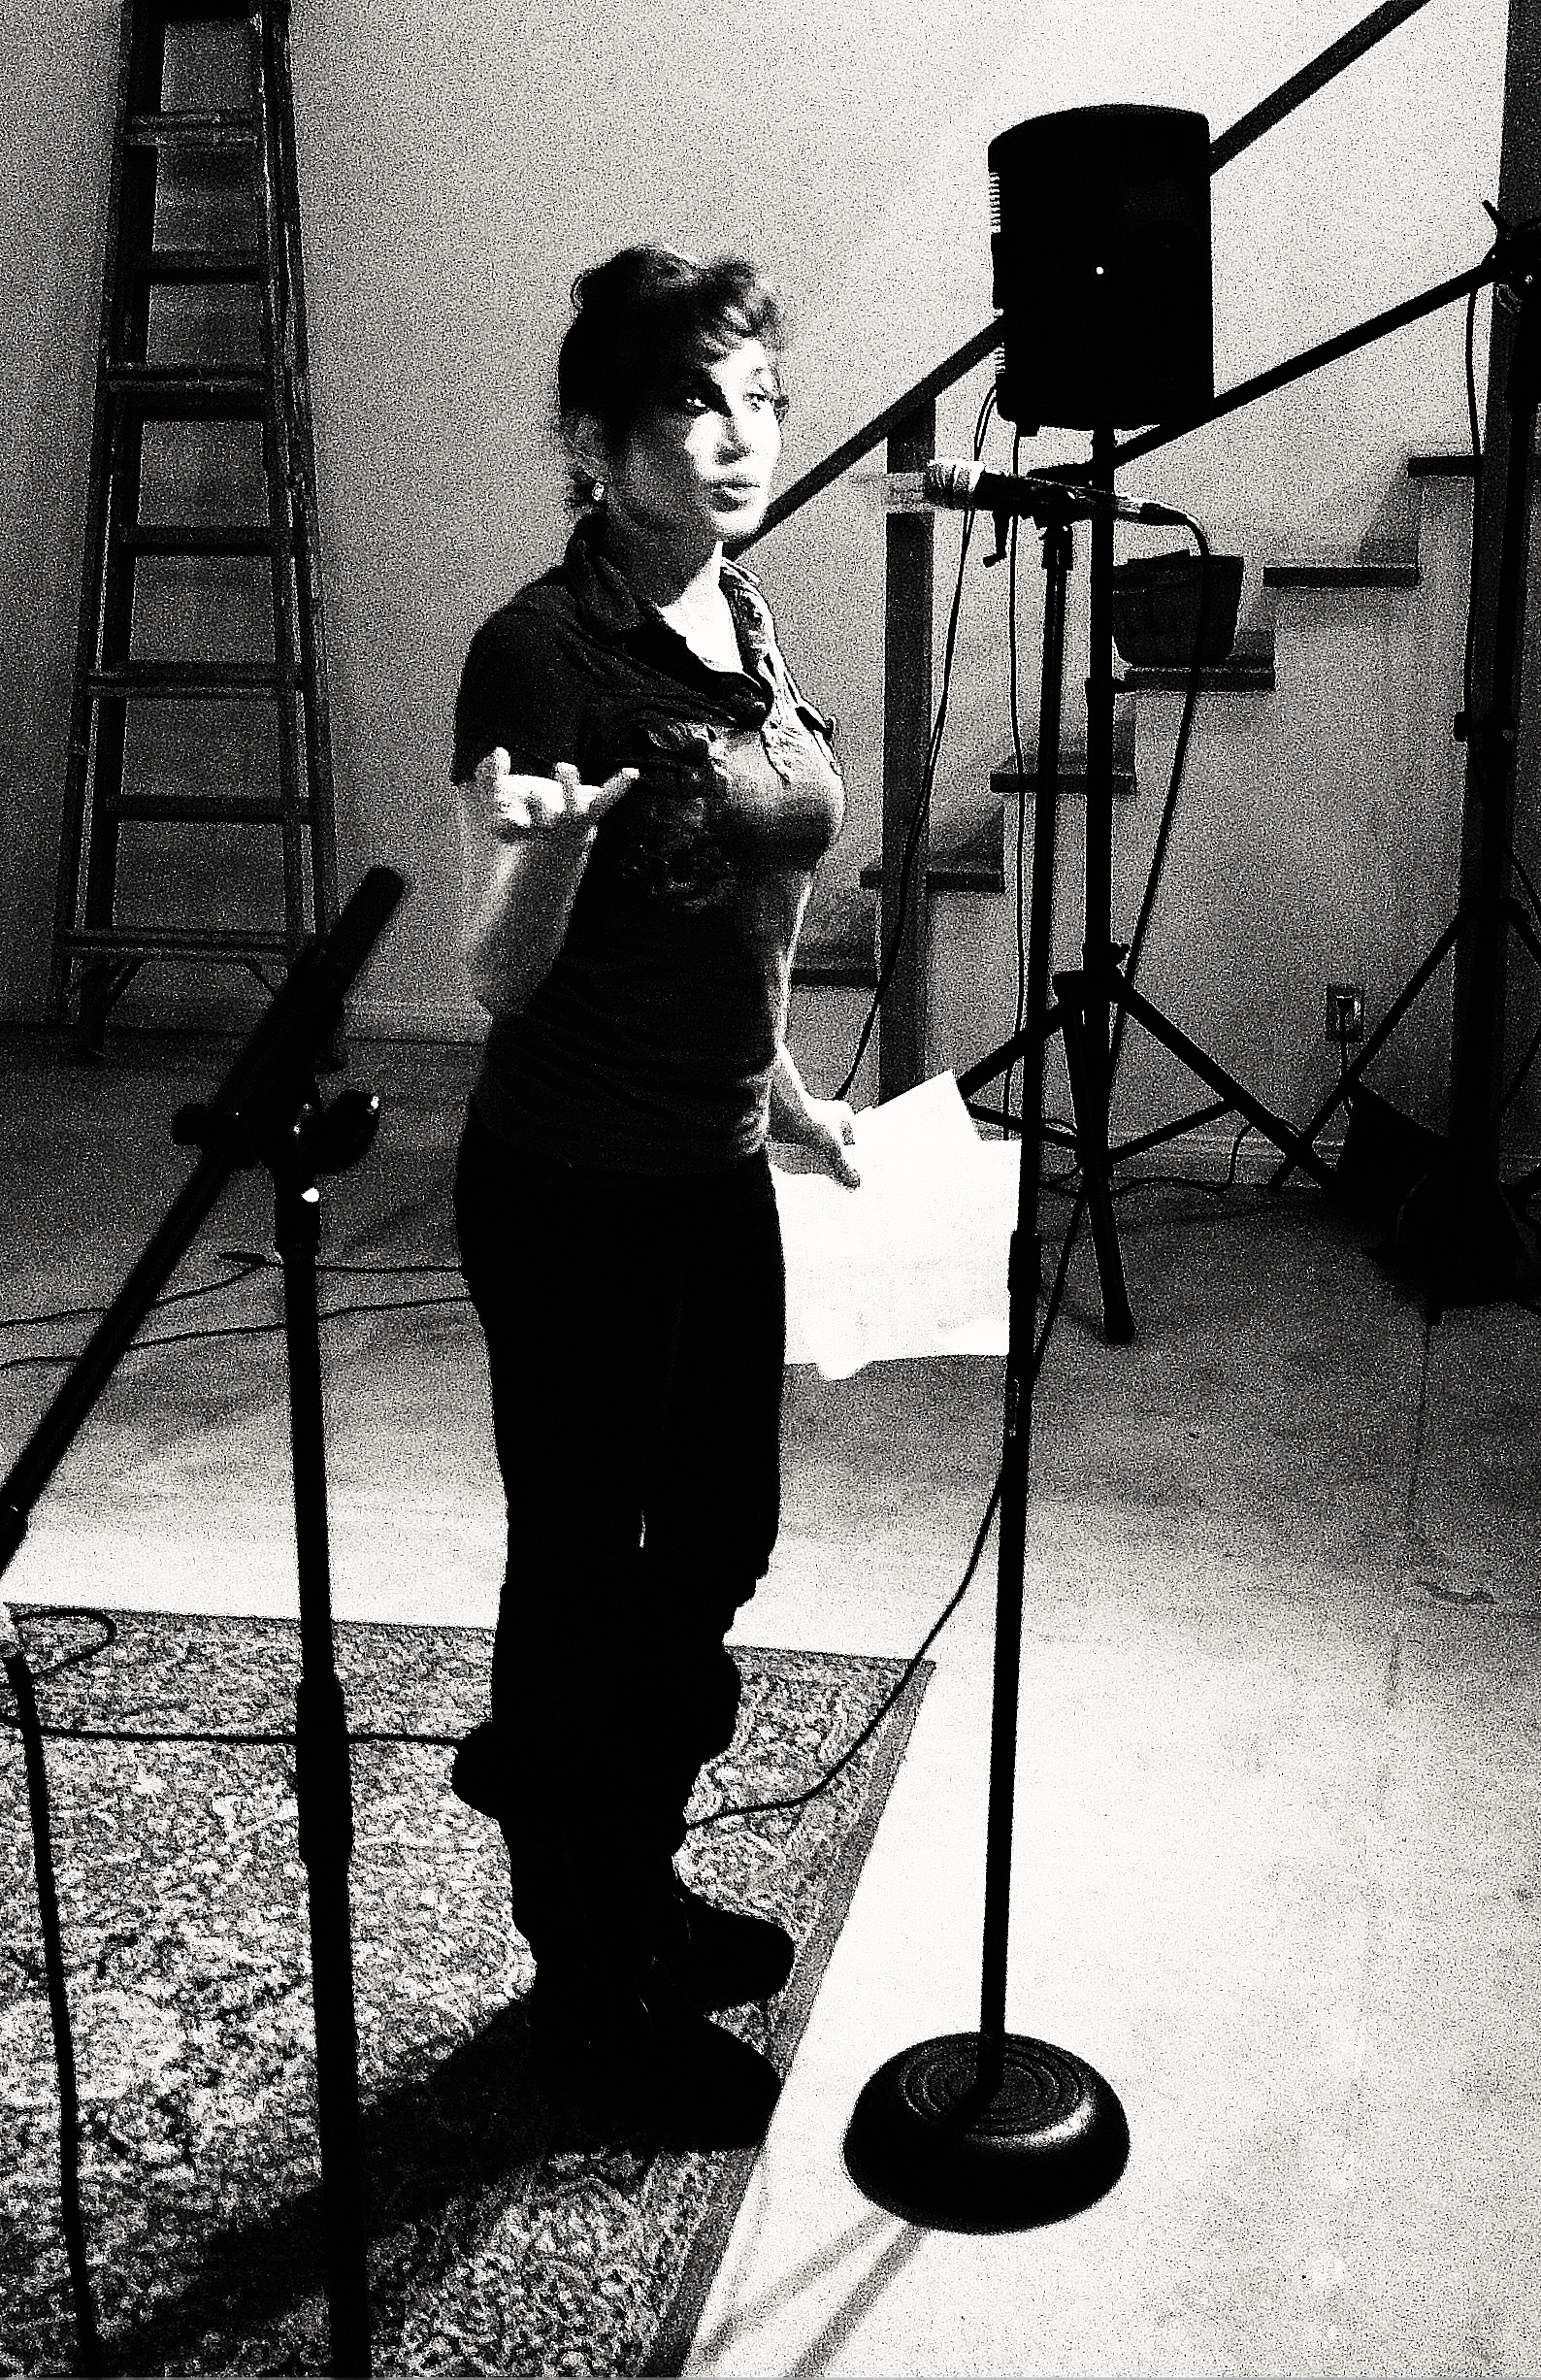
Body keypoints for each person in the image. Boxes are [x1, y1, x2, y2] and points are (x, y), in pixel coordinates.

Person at [448, 245, 860, 2147]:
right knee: (586, 1566)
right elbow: (496, 971)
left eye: (760, 397)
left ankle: (624, 1861)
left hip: (711, 1170)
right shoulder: (539, 651)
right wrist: (539, 856)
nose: (741, 434)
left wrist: (785, 1093)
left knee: (714, 1543)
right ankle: (583, 1985)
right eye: (696, 402)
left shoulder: (740, 615)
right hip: (569, 1188)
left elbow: (732, 914)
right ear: (598, 442)